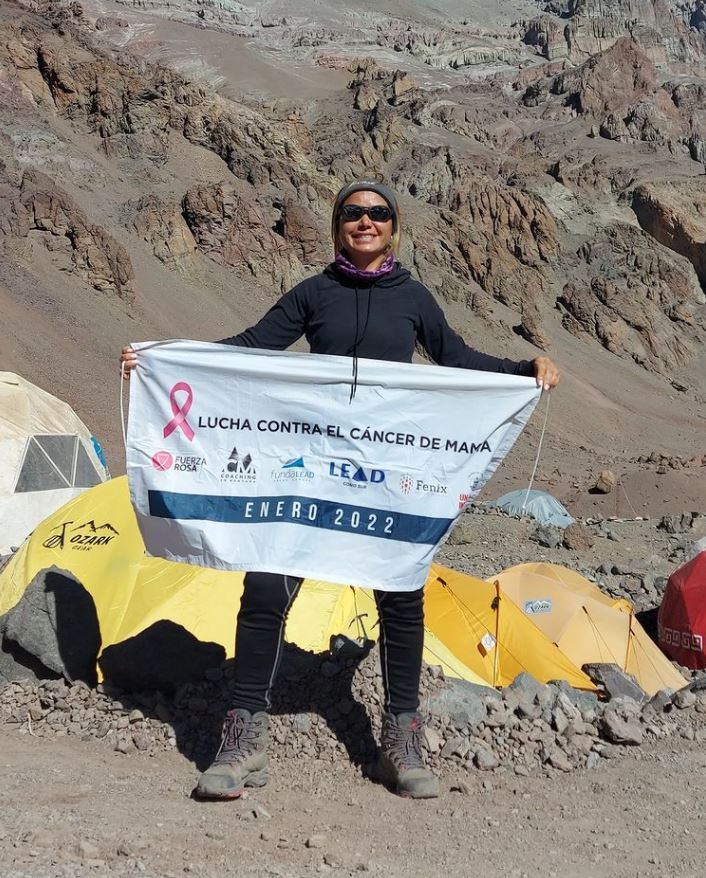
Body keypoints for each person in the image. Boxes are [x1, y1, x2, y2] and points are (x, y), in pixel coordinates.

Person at [121, 180, 560, 800]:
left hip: (385, 476)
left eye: (378, 214)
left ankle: (400, 739)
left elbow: (455, 357)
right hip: (312, 473)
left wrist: (523, 371)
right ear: (338, 226)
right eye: (353, 213)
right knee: (267, 584)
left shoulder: (413, 299)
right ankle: (243, 737)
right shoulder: (314, 294)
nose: (366, 222)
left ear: (393, 227)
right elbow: (251, 349)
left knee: (402, 593)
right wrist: (163, 361)